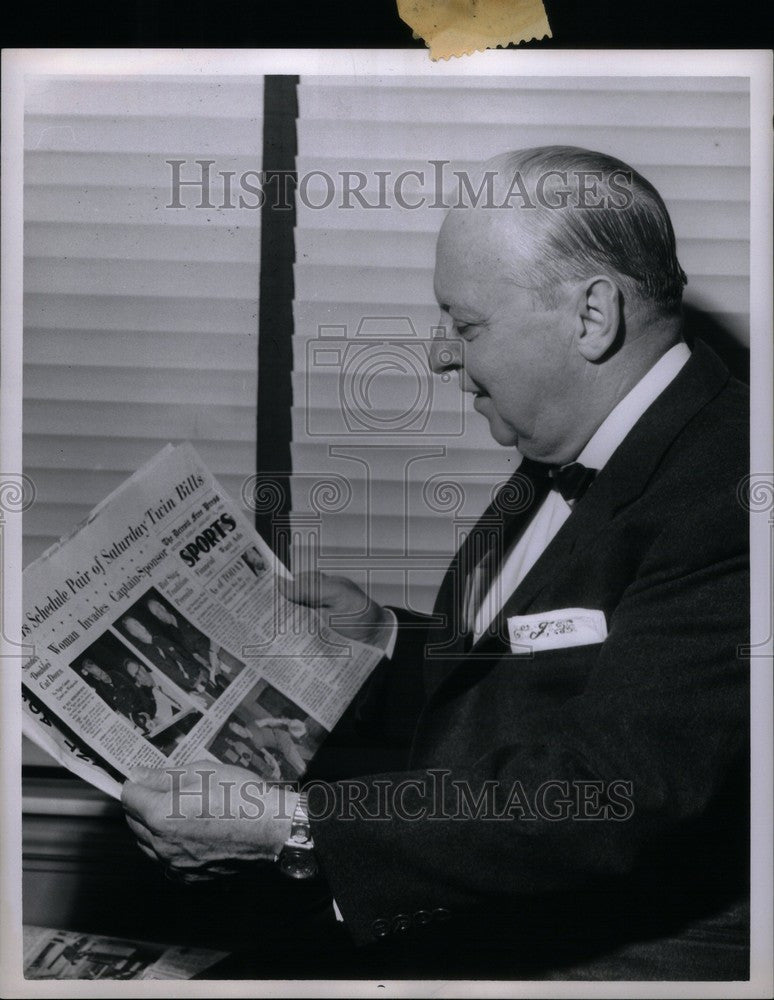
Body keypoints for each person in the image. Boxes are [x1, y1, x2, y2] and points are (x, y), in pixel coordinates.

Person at [121, 147, 749, 980]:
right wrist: (385, 638)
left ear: (593, 316)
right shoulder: (578, 443)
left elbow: (618, 789)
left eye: (467, 324)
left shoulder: (736, 480)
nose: (439, 357)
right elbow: (558, 669)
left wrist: (296, 831)